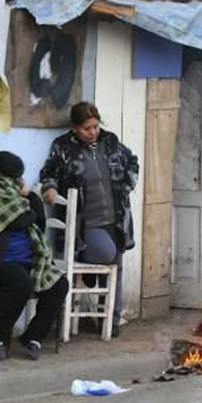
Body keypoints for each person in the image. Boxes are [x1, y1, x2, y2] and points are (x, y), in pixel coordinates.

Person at [39, 102, 139, 338]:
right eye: (86, 128)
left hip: (115, 218)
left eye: (95, 126)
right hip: (85, 224)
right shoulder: (63, 147)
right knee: (109, 255)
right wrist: (50, 189)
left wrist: (127, 184)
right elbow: (49, 172)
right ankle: (107, 317)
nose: (93, 132)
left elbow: (132, 161)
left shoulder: (111, 141)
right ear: (75, 128)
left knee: (117, 261)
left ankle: (110, 321)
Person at [0, 151, 69, 361]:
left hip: (28, 258)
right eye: (15, 177)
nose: (19, 180)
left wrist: (31, 197)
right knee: (21, 282)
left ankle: (33, 337)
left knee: (59, 284)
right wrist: (27, 203)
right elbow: (20, 219)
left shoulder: (13, 194)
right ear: (3, 175)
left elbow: (38, 221)